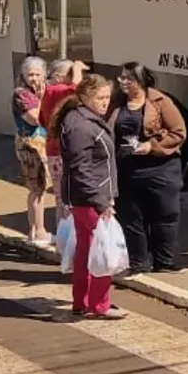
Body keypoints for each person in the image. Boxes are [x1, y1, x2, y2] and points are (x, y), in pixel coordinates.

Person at [51, 74, 125, 320]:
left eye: (107, 97)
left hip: (86, 196)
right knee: (102, 250)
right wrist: (102, 201)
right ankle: (99, 303)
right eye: (100, 98)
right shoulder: (82, 125)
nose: (105, 103)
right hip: (91, 198)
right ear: (85, 97)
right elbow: (81, 168)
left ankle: (82, 301)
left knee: (86, 249)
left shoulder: (80, 119)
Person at [108, 62, 187, 275]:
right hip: (127, 168)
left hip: (160, 168)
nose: (122, 82)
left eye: (128, 78)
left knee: (165, 215)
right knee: (131, 217)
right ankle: (138, 263)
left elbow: (178, 132)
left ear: (140, 81)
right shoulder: (115, 103)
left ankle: (165, 262)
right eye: (121, 78)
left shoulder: (161, 101)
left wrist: (152, 146)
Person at [40, 58, 88, 222]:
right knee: (68, 197)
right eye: (70, 72)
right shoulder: (58, 90)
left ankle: (63, 233)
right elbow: (79, 89)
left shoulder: (48, 92)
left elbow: (41, 119)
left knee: (61, 198)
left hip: (53, 150)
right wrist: (77, 68)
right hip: (62, 150)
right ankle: (68, 235)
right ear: (60, 75)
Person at [12, 56, 51, 245]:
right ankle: (38, 231)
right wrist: (44, 100)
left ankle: (35, 230)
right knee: (37, 188)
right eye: (30, 75)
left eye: (37, 74)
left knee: (40, 189)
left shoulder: (40, 92)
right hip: (30, 146)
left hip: (41, 144)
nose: (34, 78)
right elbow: (35, 118)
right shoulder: (22, 94)